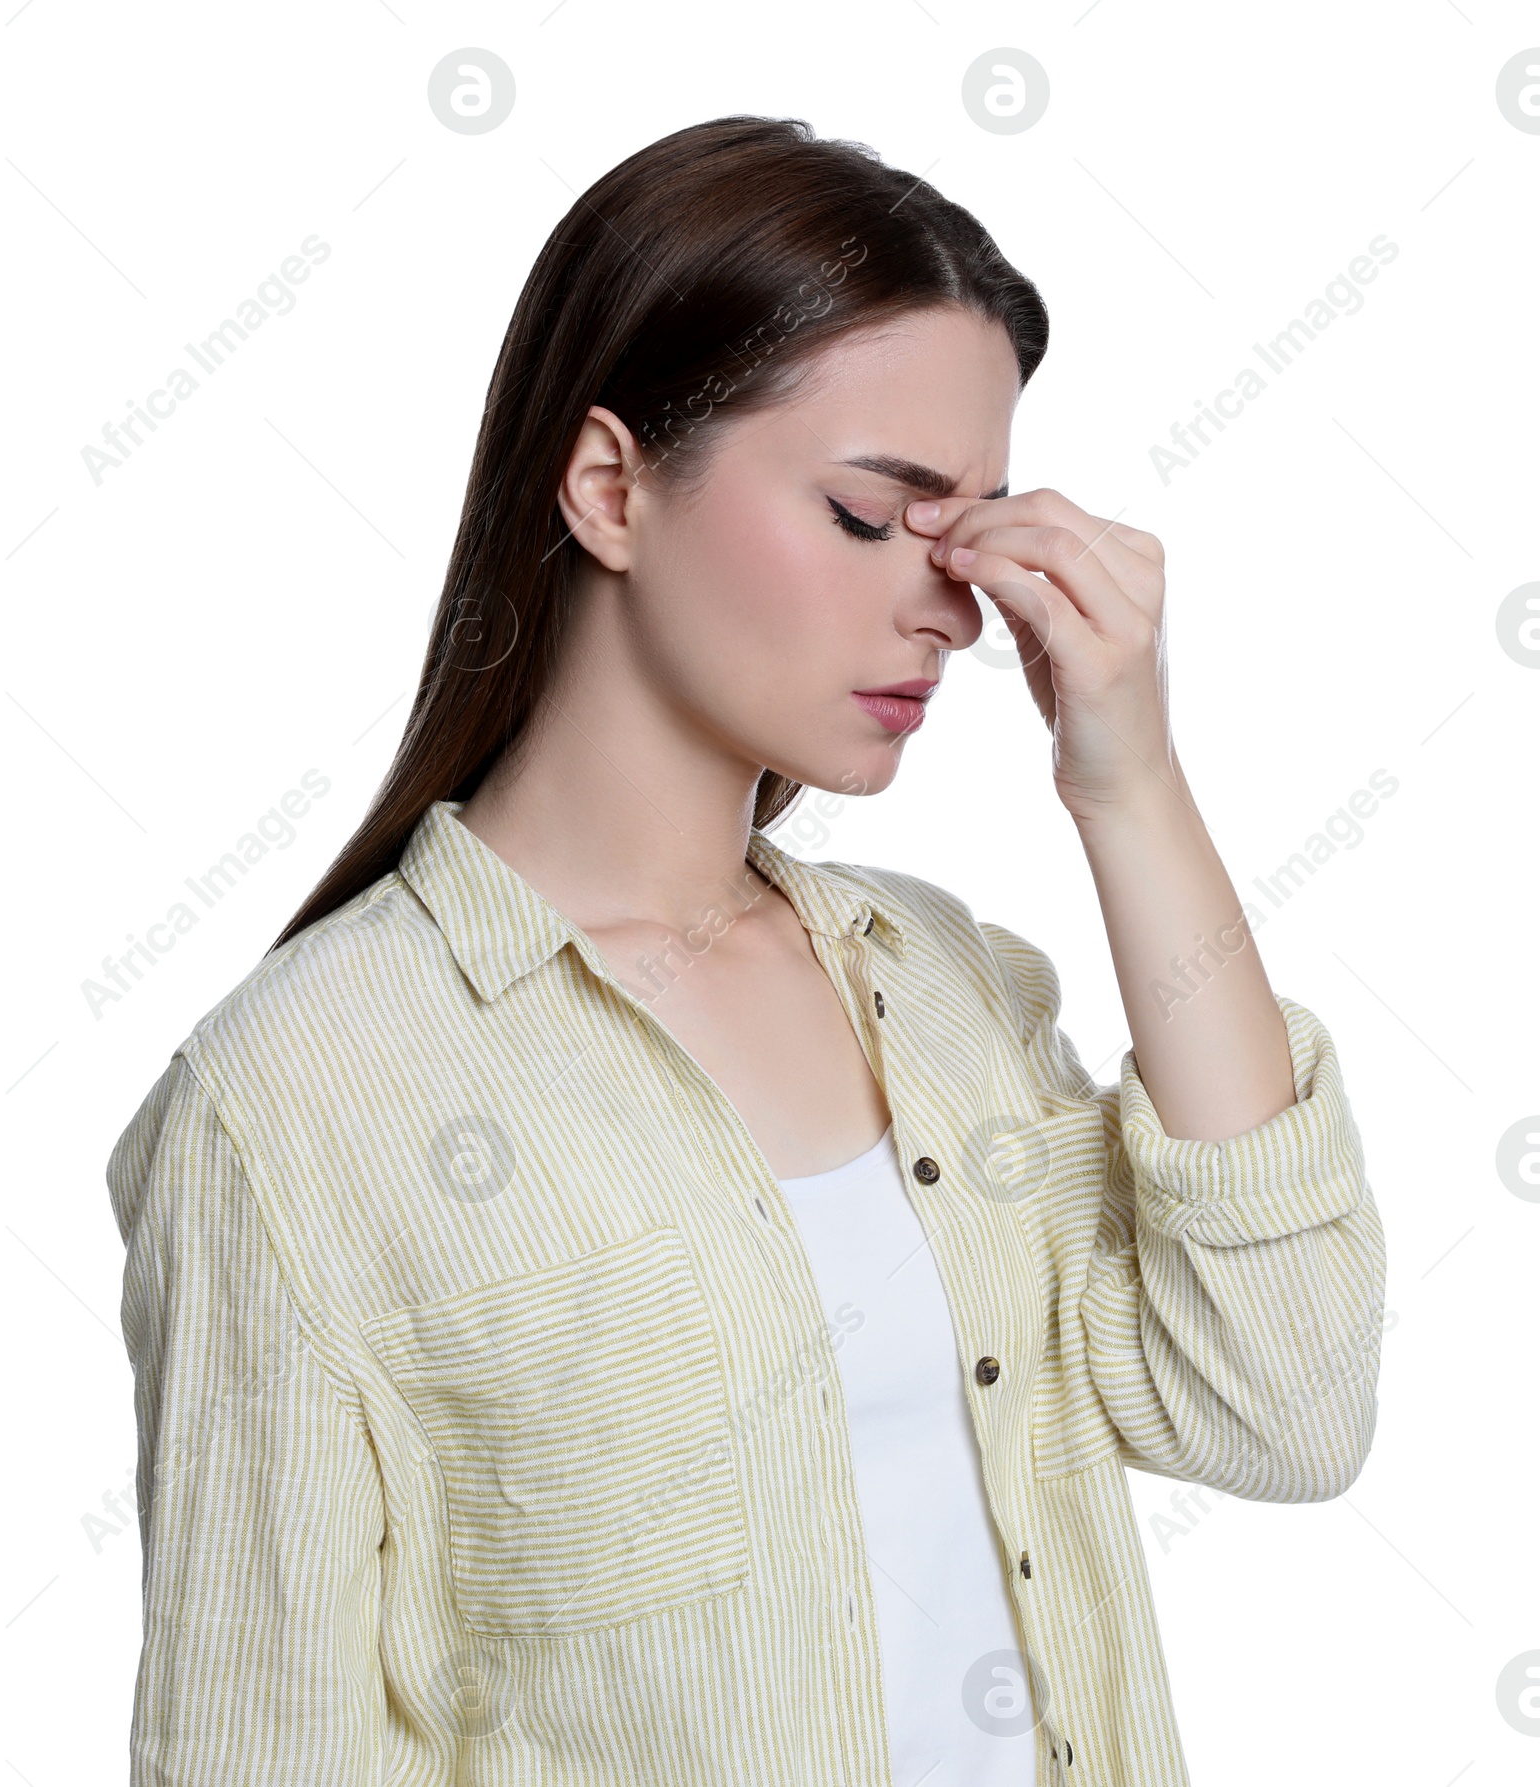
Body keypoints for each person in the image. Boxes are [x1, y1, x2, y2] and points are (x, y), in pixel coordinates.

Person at [107, 115, 1386, 1786]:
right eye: (873, 516)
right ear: (610, 486)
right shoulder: (296, 1102)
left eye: (977, 532)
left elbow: (1283, 1411)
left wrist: (1131, 787)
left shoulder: (950, 990)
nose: (950, 605)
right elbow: (258, 1746)